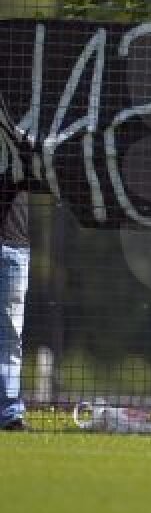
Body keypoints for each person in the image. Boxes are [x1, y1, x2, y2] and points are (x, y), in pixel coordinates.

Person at [0, 179, 30, 431]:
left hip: (12, 245)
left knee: (10, 335)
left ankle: (9, 415)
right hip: (14, 248)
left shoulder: (23, 139)